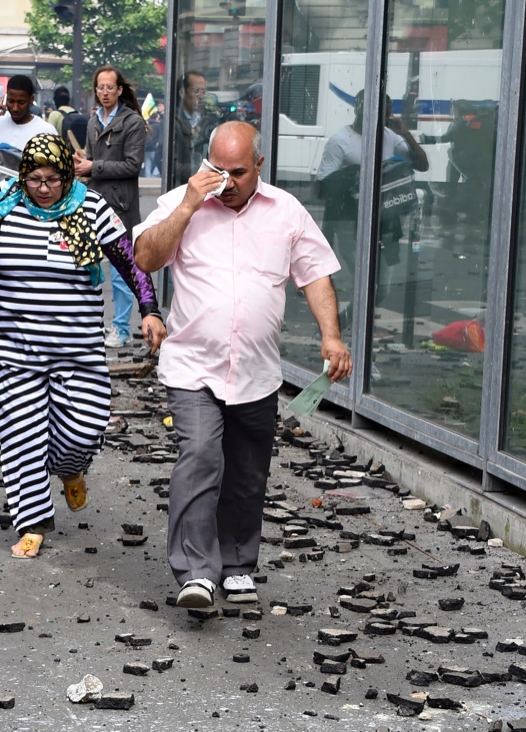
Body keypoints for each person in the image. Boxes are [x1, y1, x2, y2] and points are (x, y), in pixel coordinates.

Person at [134, 121, 353, 607]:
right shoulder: (181, 201)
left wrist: (332, 337)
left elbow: (315, 275)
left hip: (256, 370)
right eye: (218, 169)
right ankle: (195, 571)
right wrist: (190, 205)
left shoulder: (286, 211)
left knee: (247, 471)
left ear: (259, 166)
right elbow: (145, 258)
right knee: (200, 456)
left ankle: (235, 564)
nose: (227, 182)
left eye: (238, 171)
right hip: (193, 366)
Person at [0, 133, 166, 559]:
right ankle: (32, 520)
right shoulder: (0, 200)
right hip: (15, 347)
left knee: (83, 432)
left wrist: (150, 309)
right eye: (33, 179)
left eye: (52, 179)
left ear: (67, 175)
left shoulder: (92, 208)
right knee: (22, 437)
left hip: (79, 350)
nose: (43, 188)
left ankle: (70, 470)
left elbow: (129, 261)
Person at [316, 90, 428, 303]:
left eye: (385, 115)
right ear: (358, 109)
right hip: (350, 219)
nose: (380, 119)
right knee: (361, 282)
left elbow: (422, 165)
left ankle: (351, 326)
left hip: (383, 220)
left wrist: (405, 133)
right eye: (375, 112)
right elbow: (322, 187)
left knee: (381, 289)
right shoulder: (340, 141)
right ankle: (344, 329)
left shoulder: (389, 136)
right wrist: (357, 173)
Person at [73, 65, 149, 349]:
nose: (104, 92)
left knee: (120, 272)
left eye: (109, 87)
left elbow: (132, 165)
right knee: (87, 266)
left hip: (121, 205)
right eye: (99, 87)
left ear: (119, 90)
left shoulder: (132, 123)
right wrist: (82, 167)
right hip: (93, 202)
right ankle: (91, 325)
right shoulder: (94, 122)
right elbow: (92, 162)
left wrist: (94, 166)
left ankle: (121, 328)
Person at [171, 70, 215, 184]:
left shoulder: (206, 120)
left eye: (203, 92)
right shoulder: (173, 122)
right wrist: (200, 169)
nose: (201, 97)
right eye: (196, 91)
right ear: (182, 93)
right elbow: (171, 165)